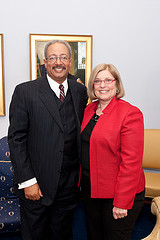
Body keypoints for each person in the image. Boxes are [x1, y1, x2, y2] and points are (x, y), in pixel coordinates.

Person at [8, 39, 88, 240]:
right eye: (52, 57)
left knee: (63, 234)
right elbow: (16, 139)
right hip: (37, 184)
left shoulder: (80, 92)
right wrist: (28, 182)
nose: (58, 62)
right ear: (45, 62)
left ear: (70, 61)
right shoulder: (25, 92)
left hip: (69, 186)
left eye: (63, 57)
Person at [80, 63, 145, 240]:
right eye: (98, 81)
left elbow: (131, 163)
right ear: (92, 85)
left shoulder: (130, 114)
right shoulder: (88, 110)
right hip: (90, 190)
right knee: (94, 235)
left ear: (116, 84)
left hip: (117, 194)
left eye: (108, 80)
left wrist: (122, 202)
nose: (102, 85)